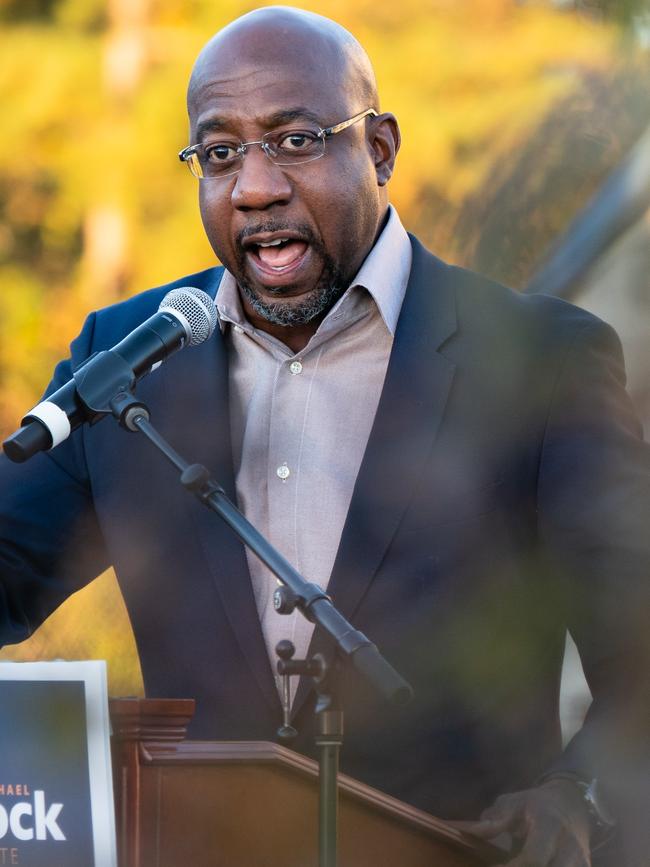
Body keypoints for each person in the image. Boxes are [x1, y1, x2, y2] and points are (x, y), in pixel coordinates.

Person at [0, 7, 648, 866]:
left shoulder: (540, 360)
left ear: (379, 148)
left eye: (296, 140)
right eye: (220, 152)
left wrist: (579, 795)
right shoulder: (125, 360)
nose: (254, 186)